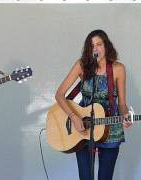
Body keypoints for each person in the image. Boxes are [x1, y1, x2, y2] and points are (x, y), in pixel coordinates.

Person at [55, 29, 132, 180]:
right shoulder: (82, 65)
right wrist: (74, 117)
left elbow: (122, 103)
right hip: (84, 128)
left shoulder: (118, 69)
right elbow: (59, 94)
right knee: (85, 177)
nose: (95, 48)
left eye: (99, 44)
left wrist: (125, 116)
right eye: (92, 46)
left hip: (110, 129)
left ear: (106, 46)